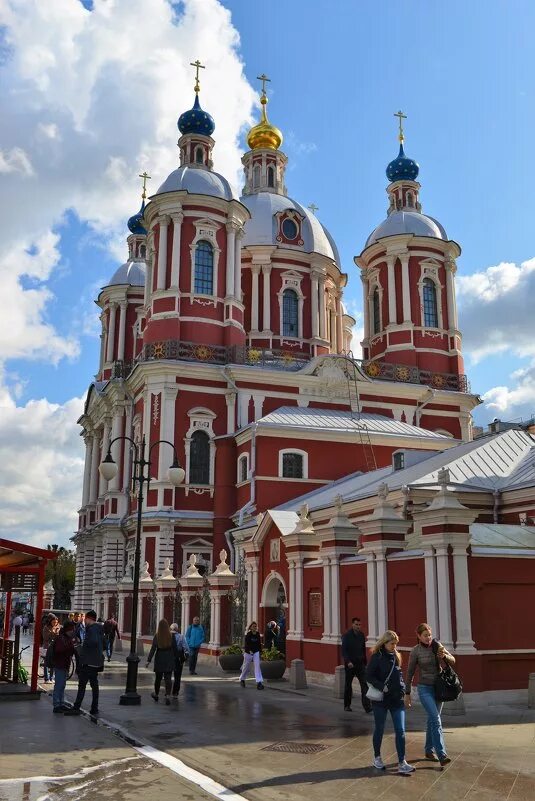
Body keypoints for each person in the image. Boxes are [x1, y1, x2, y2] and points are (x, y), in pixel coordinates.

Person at [405, 623, 455, 767]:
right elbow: (409, 673)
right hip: (424, 688)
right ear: (419, 636)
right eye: (425, 635)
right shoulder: (415, 651)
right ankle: (442, 754)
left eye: (430, 635)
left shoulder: (437, 646)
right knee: (435, 719)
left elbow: (453, 660)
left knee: (432, 720)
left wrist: (444, 655)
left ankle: (428, 750)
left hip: (439, 689)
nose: (428, 638)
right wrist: (407, 693)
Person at [366, 630, 415, 775]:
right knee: (380, 729)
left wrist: (405, 691)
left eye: (396, 644)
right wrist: (382, 686)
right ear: (385, 643)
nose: (394, 646)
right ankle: (377, 757)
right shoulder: (377, 657)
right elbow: (368, 676)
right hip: (381, 699)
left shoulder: (396, 656)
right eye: (392, 644)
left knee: (400, 731)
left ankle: (402, 762)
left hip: (396, 699)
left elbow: (399, 675)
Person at [64, 610, 104, 717]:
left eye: (85, 618)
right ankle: (94, 708)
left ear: (89, 618)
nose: (84, 620)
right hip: (96, 662)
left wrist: (81, 647)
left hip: (88, 662)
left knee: (82, 685)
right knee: (94, 685)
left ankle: (76, 707)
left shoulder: (92, 629)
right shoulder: (99, 628)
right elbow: (102, 643)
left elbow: (93, 642)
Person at [341, 617, 372, 713]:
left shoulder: (362, 635)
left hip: (360, 664)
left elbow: (363, 649)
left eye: (359, 625)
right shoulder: (346, 636)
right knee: (348, 685)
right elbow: (344, 651)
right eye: (356, 624)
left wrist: (365, 663)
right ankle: (347, 705)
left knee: (364, 685)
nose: (358, 626)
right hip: (350, 664)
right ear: (352, 625)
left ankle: (367, 707)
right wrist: (348, 661)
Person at [147, 619, 179, 705]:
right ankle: (168, 695)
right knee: (168, 678)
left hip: (160, 657)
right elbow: (175, 648)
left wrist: (148, 660)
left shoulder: (157, 636)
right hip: (169, 657)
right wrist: (176, 659)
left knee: (158, 678)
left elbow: (153, 649)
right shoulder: (171, 636)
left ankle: (156, 694)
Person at [51, 620, 76, 713]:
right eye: (72, 630)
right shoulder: (61, 638)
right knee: (59, 685)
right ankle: (57, 704)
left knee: (62, 685)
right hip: (60, 664)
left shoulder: (67, 638)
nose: (73, 632)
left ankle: (61, 703)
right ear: (67, 630)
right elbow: (58, 650)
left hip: (65, 664)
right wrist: (69, 648)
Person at [239, 621, 264, 690]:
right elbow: (247, 644)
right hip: (248, 652)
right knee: (246, 667)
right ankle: (242, 679)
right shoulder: (248, 634)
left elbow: (259, 644)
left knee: (257, 666)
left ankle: (259, 683)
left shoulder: (258, 634)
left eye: (256, 626)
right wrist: (249, 650)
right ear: (251, 627)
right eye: (253, 626)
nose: (255, 628)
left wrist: (260, 652)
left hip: (256, 652)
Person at [170, 623, 188, 697]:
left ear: (170, 629)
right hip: (178, 658)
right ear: (177, 629)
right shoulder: (181, 637)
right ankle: (175, 692)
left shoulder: (167, 636)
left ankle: (167, 692)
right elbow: (186, 648)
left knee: (168, 675)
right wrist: (185, 657)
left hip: (169, 657)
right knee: (177, 676)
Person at [42, 614, 60, 683]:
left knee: (53, 662)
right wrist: (52, 633)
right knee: (46, 663)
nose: (55, 624)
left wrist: (57, 633)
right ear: (50, 621)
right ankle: (46, 678)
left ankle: (51, 677)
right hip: (47, 646)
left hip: (55, 647)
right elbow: (45, 638)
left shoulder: (57, 627)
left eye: (56, 622)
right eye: (53, 622)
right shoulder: (46, 628)